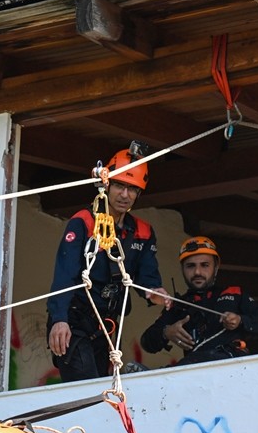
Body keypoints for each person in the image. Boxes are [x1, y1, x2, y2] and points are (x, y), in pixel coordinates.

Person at [46, 146, 171, 382]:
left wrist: (154, 292)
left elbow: (147, 276)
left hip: (109, 327)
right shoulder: (83, 223)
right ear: (107, 186)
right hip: (75, 321)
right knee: (85, 388)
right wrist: (59, 319)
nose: (125, 195)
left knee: (106, 390)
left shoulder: (142, 232)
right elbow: (64, 275)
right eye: (119, 186)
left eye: (132, 189)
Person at [140, 235, 258, 366]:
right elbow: (146, 342)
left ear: (216, 266)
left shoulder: (235, 293)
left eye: (205, 265)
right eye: (190, 266)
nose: (197, 272)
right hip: (195, 370)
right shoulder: (177, 305)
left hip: (232, 364)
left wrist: (241, 321)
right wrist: (166, 332)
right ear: (182, 269)